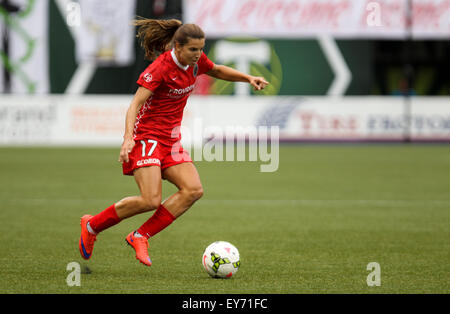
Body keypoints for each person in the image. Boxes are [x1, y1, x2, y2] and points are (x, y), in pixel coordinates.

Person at [78, 18, 269, 266]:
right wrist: (128, 139)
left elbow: (216, 69)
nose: (198, 54)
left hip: (170, 139)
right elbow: (135, 104)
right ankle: (92, 225)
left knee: (193, 190)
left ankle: (140, 235)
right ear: (177, 47)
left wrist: (248, 77)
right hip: (147, 137)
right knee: (150, 200)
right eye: (193, 49)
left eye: (201, 49)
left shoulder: (196, 62)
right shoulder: (161, 68)